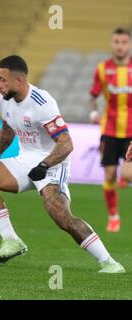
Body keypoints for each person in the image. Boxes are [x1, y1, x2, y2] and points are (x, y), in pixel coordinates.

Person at [0, 55, 125, 273]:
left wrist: (44, 166)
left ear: (19, 81)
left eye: (2, 80)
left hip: (53, 162)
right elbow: (7, 129)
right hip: (25, 160)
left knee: (61, 215)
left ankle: (108, 262)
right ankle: (12, 241)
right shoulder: (2, 98)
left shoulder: (42, 103)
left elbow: (66, 144)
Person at [89, 27, 132, 232]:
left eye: (124, 42)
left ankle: (125, 177)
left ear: (129, 44)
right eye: (117, 42)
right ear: (111, 44)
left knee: (128, 174)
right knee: (108, 176)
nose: (120, 46)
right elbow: (93, 95)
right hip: (109, 130)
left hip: (131, 132)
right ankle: (113, 215)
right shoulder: (102, 69)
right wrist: (93, 113)